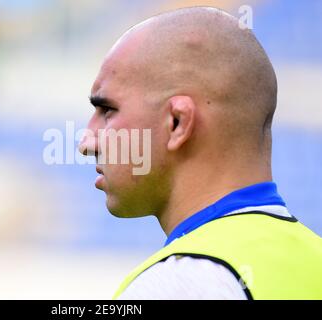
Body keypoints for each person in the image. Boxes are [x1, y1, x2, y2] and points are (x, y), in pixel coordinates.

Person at [78, 6, 322, 300]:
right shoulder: (313, 261)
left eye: (107, 110)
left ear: (178, 123)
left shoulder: (178, 284)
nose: (86, 143)